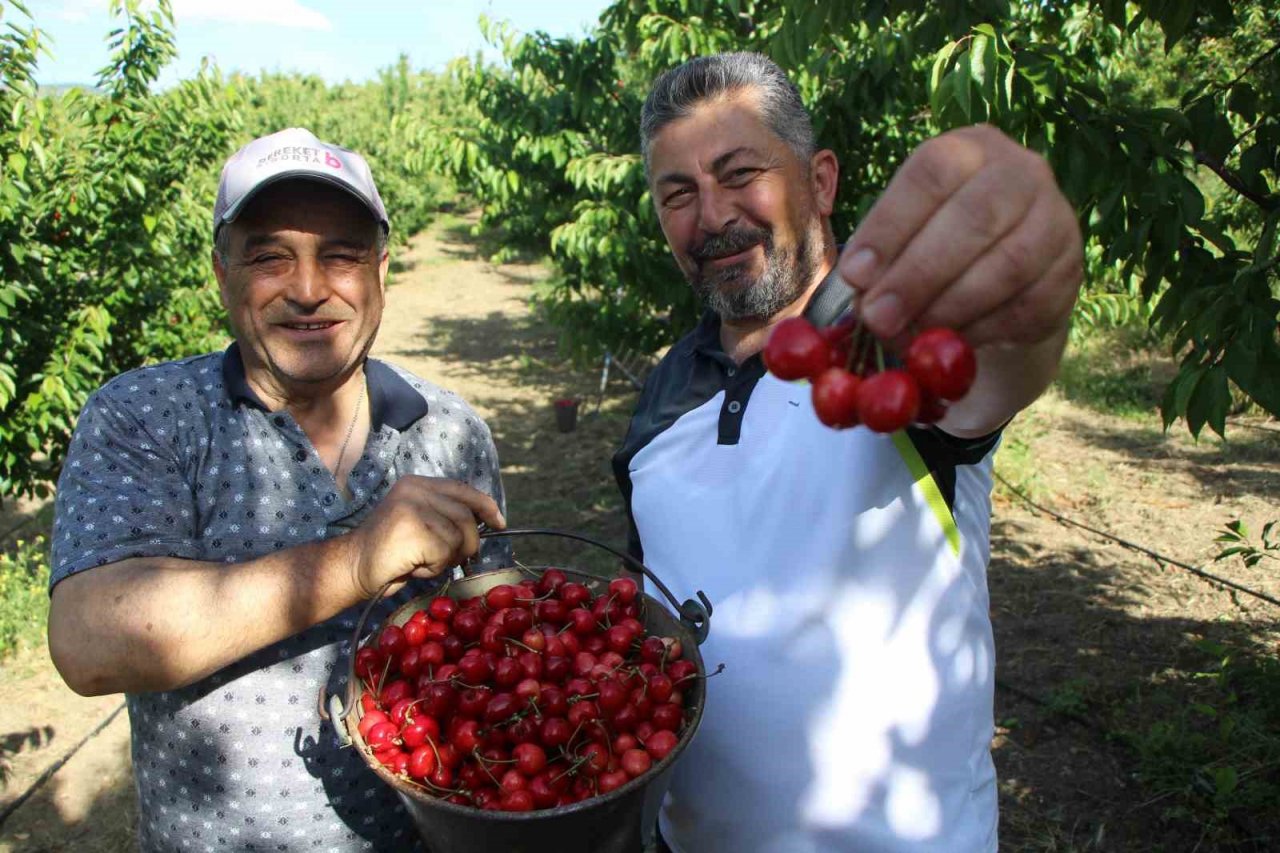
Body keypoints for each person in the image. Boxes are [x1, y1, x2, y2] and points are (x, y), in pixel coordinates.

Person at [614, 53, 1083, 852]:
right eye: (679, 194)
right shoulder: (663, 395)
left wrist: (1034, 271)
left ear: (821, 182)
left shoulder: (893, 349)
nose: (713, 216)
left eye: (739, 174)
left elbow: (1002, 360)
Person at [47, 127, 510, 852]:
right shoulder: (148, 417)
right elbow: (89, 639)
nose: (306, 288)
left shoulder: (451, 431)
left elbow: (494, 641)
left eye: (341, 256)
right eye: (269, 257)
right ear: (221, 273)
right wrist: (354, 562)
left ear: (381, 271)